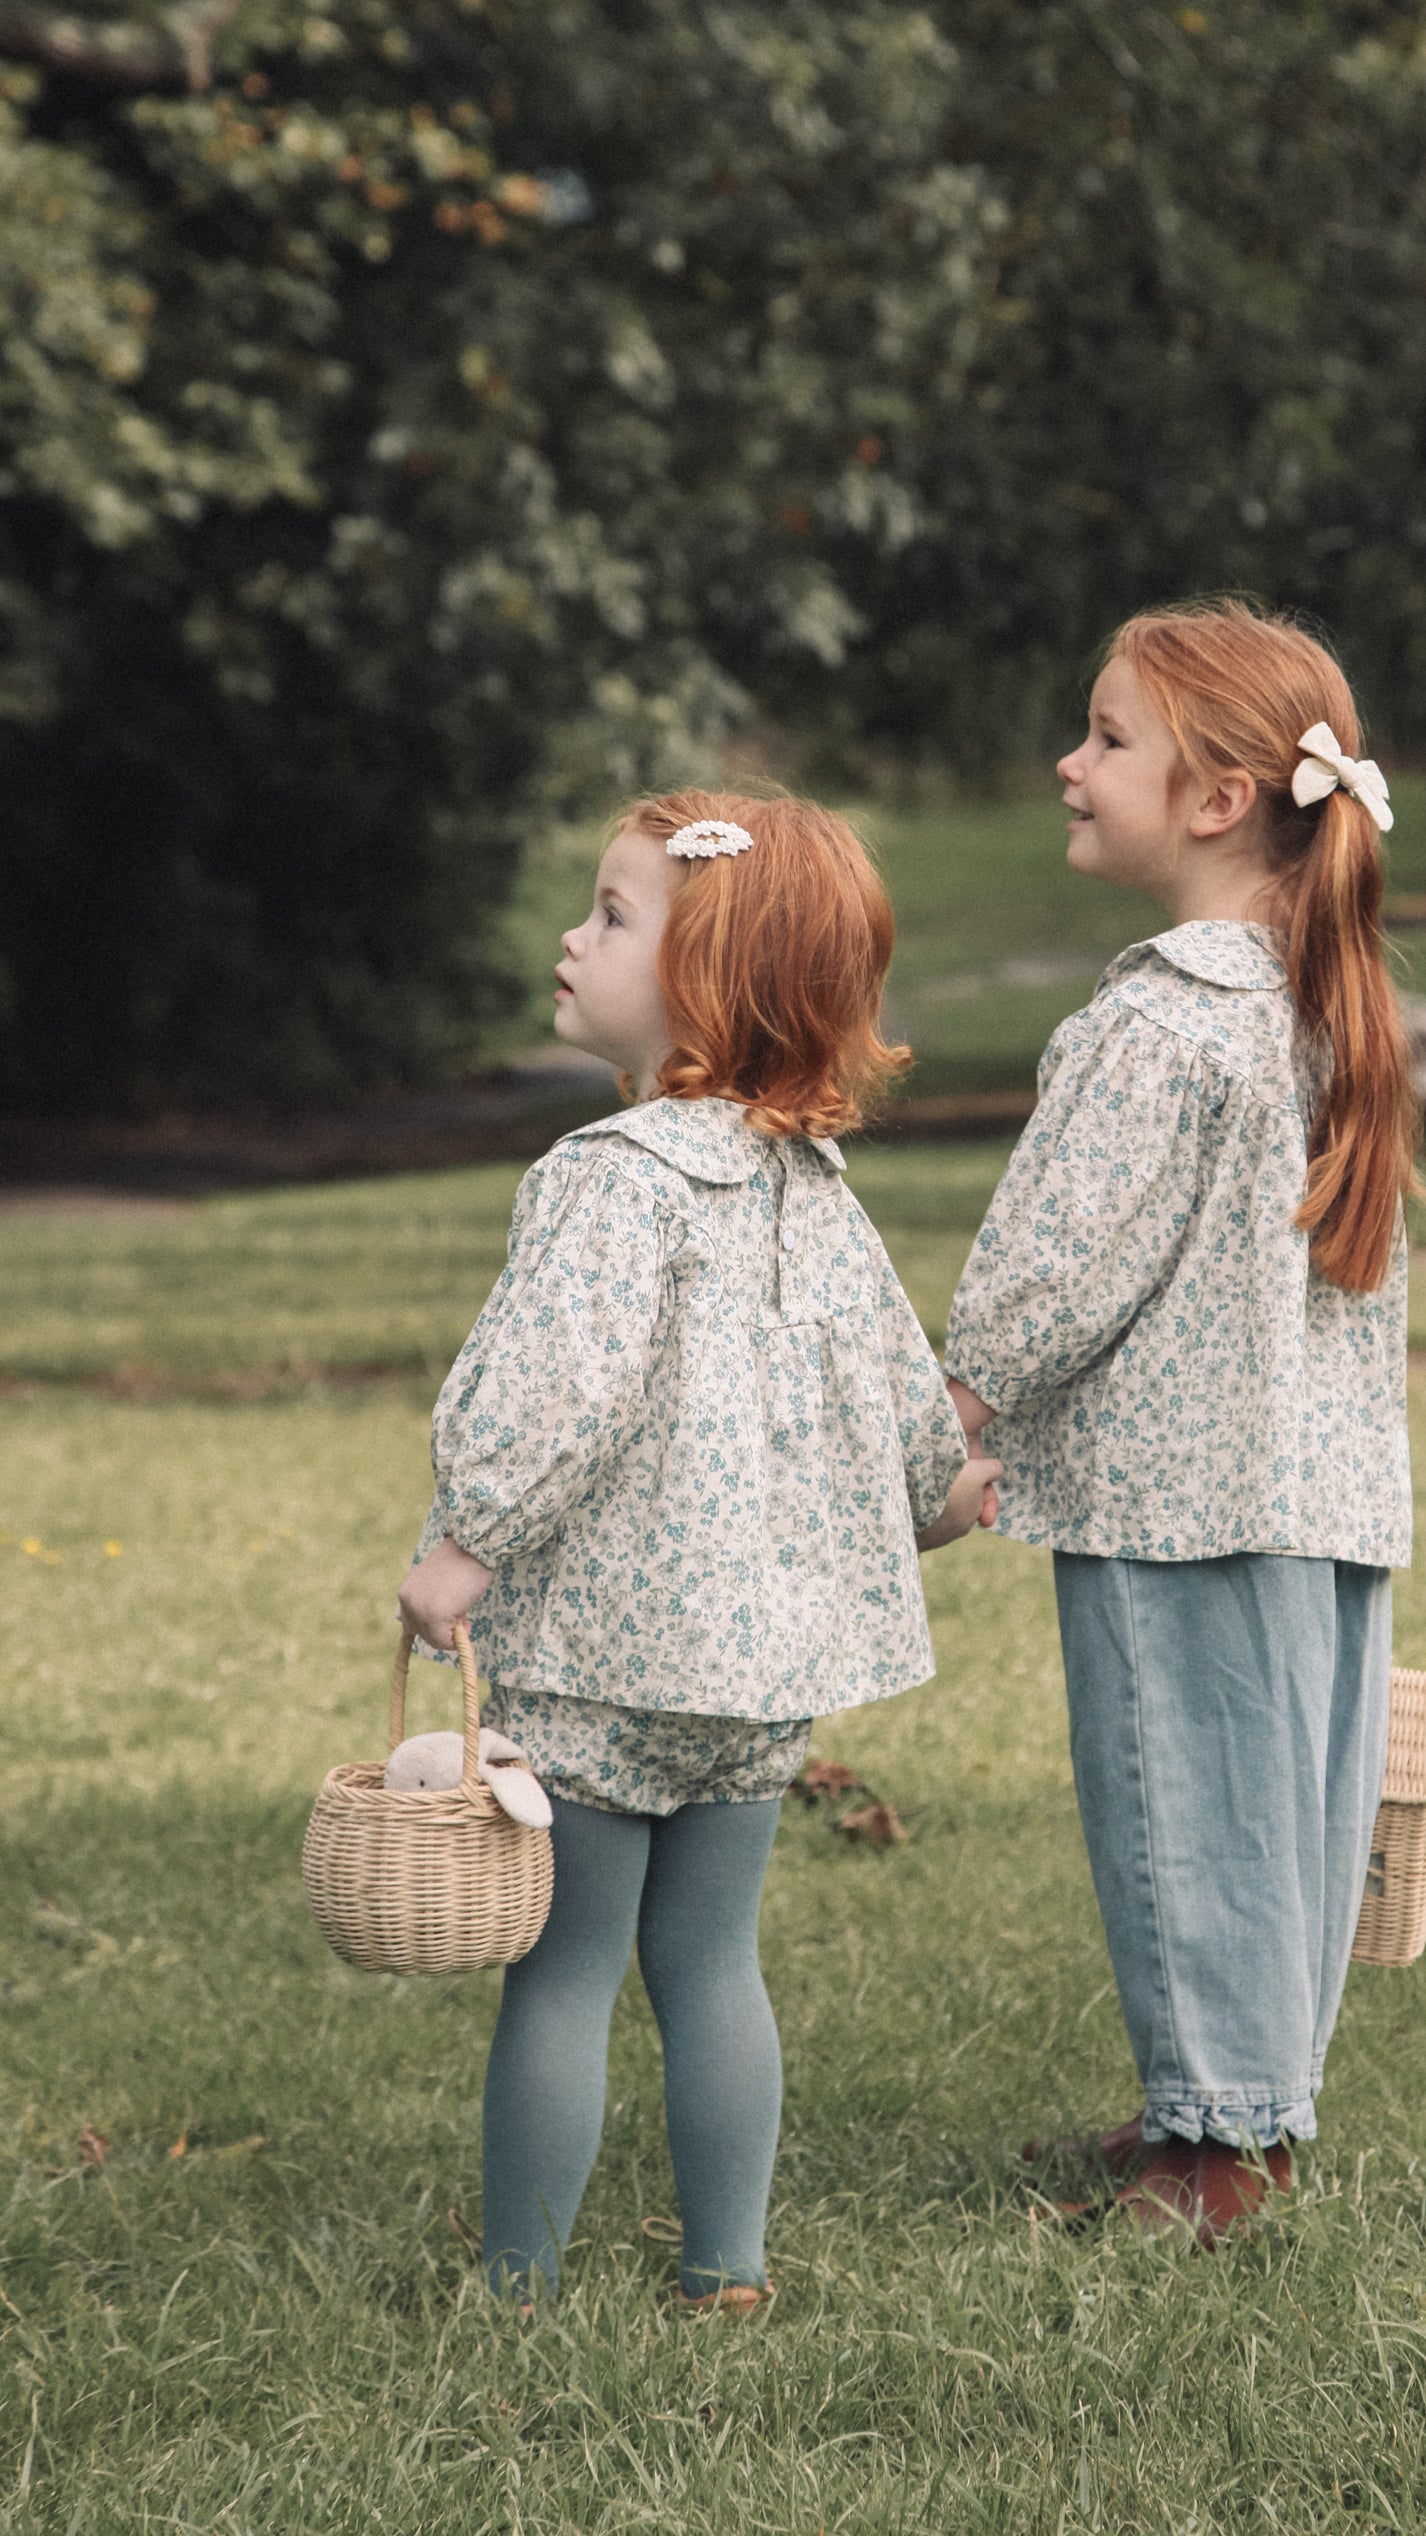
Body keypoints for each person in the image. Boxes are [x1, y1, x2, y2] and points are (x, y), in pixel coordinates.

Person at [399, 790, 1001, 2311]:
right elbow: (897, 1393)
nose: (571, 935)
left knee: (567, 1968)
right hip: (756, 1687)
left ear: (708, 982)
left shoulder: (611, 1176)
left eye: (610, 915)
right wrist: (942, 1490)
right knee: (713, 1965)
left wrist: (464, 1547)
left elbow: (555, 1395)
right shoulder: (821, 1194)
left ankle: (521, 2283)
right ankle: (726, 2268)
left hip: (601, 1663)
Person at [945, 599, 1422, 2246]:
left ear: (1219, 798)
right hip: (1321, 1496)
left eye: (1108, 738)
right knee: (1278, 1817)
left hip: (1178, 1499)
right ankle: (1241, 2117)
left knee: (1179, 1805)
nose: (1071, 766)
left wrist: (958, 1401)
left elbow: (1053, 1269)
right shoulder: (1319, 1001)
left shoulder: (1160, 1020)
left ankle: (1212, 2163)